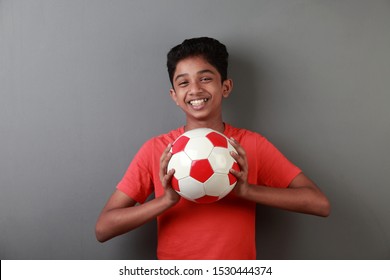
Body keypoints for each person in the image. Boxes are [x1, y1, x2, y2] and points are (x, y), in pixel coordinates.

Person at [95, 37, 330, 259]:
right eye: (184, 82)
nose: (195, 89)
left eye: (205, 78)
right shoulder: (157, 150)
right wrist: (165, 200)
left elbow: (319, 204)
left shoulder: (252, 145)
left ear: (225, 87)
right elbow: (104, 229)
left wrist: (248, 191)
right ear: (174, 95)